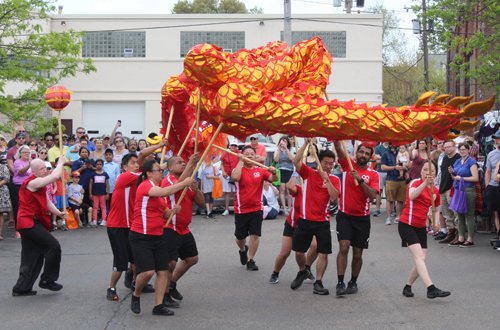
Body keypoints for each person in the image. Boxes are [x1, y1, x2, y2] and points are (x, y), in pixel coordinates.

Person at [129, 159, 194, 316]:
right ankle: (136, 294)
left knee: (163, 271)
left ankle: (158, 306)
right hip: (141, 235)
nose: (161, 172)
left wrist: (173, 210)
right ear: (149, 173)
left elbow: (164, 214)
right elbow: (166, 192)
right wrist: (184, 183)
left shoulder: (157, 191)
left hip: (158, 235)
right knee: (147, 272)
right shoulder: (146, 185)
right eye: (158, 170)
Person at [290, 139, 340, 295]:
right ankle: (303, 270)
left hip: (322, 221)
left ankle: (318, 282)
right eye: (326, 163)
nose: (328, 166)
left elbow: (335, 196)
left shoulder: (334, 179)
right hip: (305, 219)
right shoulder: (309, 173)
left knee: (323, 252)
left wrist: (327, 179)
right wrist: (305, 144)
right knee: (298, 252)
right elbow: (296, 161)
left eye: (331, 164)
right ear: (319, 162)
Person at [12, 157, 67, 296]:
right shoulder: (33, 182)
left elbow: (47, 202)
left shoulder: (39, 184)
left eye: (46, 168)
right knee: (53, 246)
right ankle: (47, 280)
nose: (45, 171)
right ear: (34, 171)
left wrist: (59, 213)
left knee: (32, 256)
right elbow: (55, 176)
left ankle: (21, 288)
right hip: (28, 223)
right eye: (42, 169)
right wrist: (60, 163)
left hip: (30, 223)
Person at [398, 160, 451, 299]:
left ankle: (407, 286)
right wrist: (425, 183)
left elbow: (436, 208)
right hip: (407, 224)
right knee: (419, 257)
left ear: (435, 174)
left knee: (422, 259)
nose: (428, 173)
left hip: (421, 226)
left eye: (431, 171)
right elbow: (411, 195)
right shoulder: (414, 183)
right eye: (425, 169)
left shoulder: (435, 190)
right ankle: (431, 288)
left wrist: (435, 222)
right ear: (421, 171)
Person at [333, 141, 379, 296]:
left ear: (370, 156)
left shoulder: (373, 174)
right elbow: (338, 148)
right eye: (361, 152)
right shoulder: (348, 164)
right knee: (344, 247)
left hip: (362, 218)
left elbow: (373, 195)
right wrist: (337, 137)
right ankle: (340, 282)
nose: (363, 155)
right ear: (356, 152)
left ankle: (353, 281)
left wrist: (360, 180)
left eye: (367, 153)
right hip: (345, 215)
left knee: (358, 253)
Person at [161, 154, 204, 307]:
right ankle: (164, 295)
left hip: (183, 229)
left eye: (184, 162)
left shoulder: (188, 180)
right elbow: (178, 184)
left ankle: (171, 284)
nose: (183, 164)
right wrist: (192, 162)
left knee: (192, 259)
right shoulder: (168, 180)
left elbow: (201, 204)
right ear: (170, 168)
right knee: (170, 263)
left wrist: (196, 189)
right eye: (179, 163)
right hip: (169, 226)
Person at [231, 146, 278, 271]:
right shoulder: (238, 169)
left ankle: (250, 260)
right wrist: (240, 161)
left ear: (256, 156)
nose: (250, 156)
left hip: (257, 209)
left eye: (252, 154)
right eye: (246, 154)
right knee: (240, 238)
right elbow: (235, 178)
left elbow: (274, 179)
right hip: (241, 210)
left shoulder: (261, 170)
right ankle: (243, 249)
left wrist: (274, 172)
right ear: (241, 155)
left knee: (255, 235)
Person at [269, 173, 318, 284]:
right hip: (293, 224)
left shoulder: (318, 190)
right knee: (285, 252)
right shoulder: (300, 188)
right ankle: (275, 273)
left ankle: (306, 269)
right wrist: (296, 173)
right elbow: (290, 188)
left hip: (310, 225)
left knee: (315, 246)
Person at [105, 153, 142, 301]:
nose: (136, 165)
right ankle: (111, 287)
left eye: (137, 162)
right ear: (124, 167)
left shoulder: (138, 180)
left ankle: (135, 282)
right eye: (133, 163)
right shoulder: (125, 177)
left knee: (136, 257)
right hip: (117, 225)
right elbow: (149, 173)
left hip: (131, 224)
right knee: (121, 260)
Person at [448, 142, 478, 247]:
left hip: (468, 190)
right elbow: (455, 176)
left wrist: (461, 178)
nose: (462, 151)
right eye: (460, 149)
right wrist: (452, 172)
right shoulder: (457, 161)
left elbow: (475, 178)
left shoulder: (472, 162)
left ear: (468, 150)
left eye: (464, 149)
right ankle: (461, 237)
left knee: (468, 214)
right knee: (459, 214)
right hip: (458, 189)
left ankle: (470, 239)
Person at [437, 141, 461, 243]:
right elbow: (441, 172)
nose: (447, 149)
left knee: (454, 212)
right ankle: (450, 233)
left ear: (454, 147)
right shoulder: (444, 158)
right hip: (443, 187)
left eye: (449, 147)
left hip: (452, 187)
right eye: (445, 147)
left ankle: (458, 234)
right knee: (446, 213)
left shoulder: (458, 158)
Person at [381, 144, 408, 225]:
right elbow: (383, 167)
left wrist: (406, 167)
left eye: (393, 144)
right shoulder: (385, 154)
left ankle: (398, 217)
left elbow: (410, 163)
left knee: (400, 200)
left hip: (402, 179)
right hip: (391, 179)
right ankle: (389, 217)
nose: (392, 146)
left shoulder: (402, 152)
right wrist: (395, 167)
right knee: (390, 200)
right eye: (390, 144)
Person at [484, 130, 500, 242]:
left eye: (498, 139)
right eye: (495, 139)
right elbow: (488, 171)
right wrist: (487, 186)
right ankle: (499, 235)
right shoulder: (491, 154)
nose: (496, 141)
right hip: (493, 186)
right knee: (495, 212)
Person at [274, 136, 294, 215]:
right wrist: (279, 149)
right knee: (282, 189)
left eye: (285, 141)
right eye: (282, 141)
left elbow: (291, 158)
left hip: (289, 170)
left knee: (289, 190)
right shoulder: (277, 150)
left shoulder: (291, 150)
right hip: (280, 170)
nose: (283, 143)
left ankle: (289, 207)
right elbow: (276, 159)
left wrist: (286, 148)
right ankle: (284, 208)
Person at [71, 147, 95, 213]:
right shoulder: (77, 162)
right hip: (80, 185)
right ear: (79, 153)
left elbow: (98, 169)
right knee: (81, 202)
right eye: (83, 152)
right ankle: (82, 218)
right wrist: (82, 168)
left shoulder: (92, 161)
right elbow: (73, 173)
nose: (84, 153)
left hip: (90, 185)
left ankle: (89, 218)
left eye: (86, 152)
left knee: (89, 201)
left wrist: (91, 168)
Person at [220, 140, 240, 216]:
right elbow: (221, 164)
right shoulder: (225, 153)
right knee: (227, 192)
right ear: (229, 146)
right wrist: (223, 171)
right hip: (227, 175)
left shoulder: (239, 153)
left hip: (236, 175)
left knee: (236, 192)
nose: (233, 147)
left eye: (235, 145)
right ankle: (226, 209)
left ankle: (236, 208)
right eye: (232, 145)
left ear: (237, 146)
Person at [89, 159, 110, 227]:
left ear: (102, 165)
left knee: (103, 207)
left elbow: (107, 184)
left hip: (103, 193)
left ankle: (104, 220)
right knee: (95, 207)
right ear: (95, 165)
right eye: (97, 164)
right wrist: (90, 193)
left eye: (100, 164)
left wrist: (107, 193)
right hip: (95, 193)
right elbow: (91, 184)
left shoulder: (105, 174)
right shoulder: (93, 174)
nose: (99, 166)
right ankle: (94, 219)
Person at [51, 157, 69, 230]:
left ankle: (63, 223)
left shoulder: (64, 172)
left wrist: (61, 175)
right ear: (55, 164)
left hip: (63, 193)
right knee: (55, 208)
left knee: (63, 208)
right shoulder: (52, 172)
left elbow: (65, 182)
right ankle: (54, 223)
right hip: (56, 193)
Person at [373, 142, 389, 217]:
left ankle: (391, 209)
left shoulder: (392, 147)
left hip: (390, 171)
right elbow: (376, 160)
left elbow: (380, 159)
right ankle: (377, 209)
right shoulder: (378, 148)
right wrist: (387, 158)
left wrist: (381, 158)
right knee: (379, 191)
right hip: (380, 171)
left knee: (389, 191)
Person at [103, 149, 120, 214]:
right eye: (106, 155)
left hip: (113, 187)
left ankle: (111, 215)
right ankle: (103, 216)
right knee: (103, 203)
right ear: (104, 156)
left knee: (111, 202)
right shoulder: (103, 165)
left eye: (109, 155)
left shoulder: (116, 166)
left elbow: (117, 176)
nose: (108, 156)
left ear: (112, 156)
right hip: (104, 187)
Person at [0, 160, 11, 240]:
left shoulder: (3, 167)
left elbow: (6, 179)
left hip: (1, 191)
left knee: (0, 213)